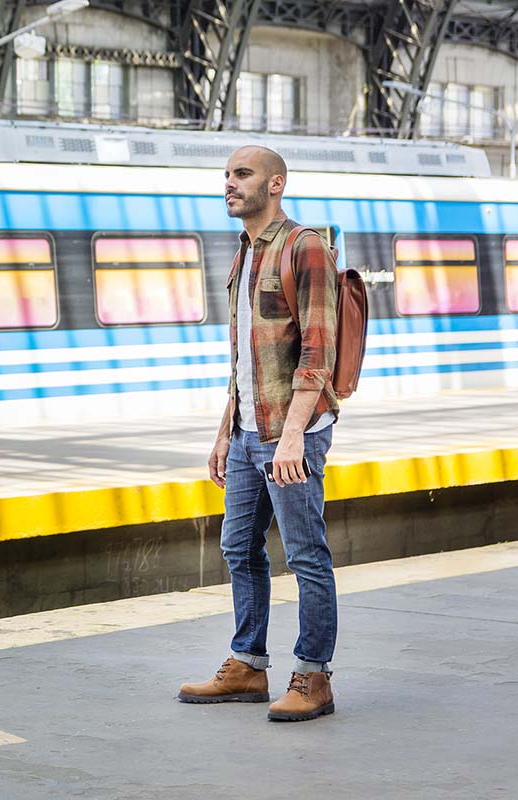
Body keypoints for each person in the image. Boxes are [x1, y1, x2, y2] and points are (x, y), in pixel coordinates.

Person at [176, 145, 341, 722]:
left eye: (242, 175)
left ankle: (314, 676)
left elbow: (319, 349)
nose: (229, 184)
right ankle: (248, 663)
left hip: (288, 432)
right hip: (249, 431)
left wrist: (294, 435)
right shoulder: (244, 253)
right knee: (238, 546)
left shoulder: (305, 247)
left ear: (276, 184)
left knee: (305, 554)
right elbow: (244, 356)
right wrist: (226, 429)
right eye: (225, 175)